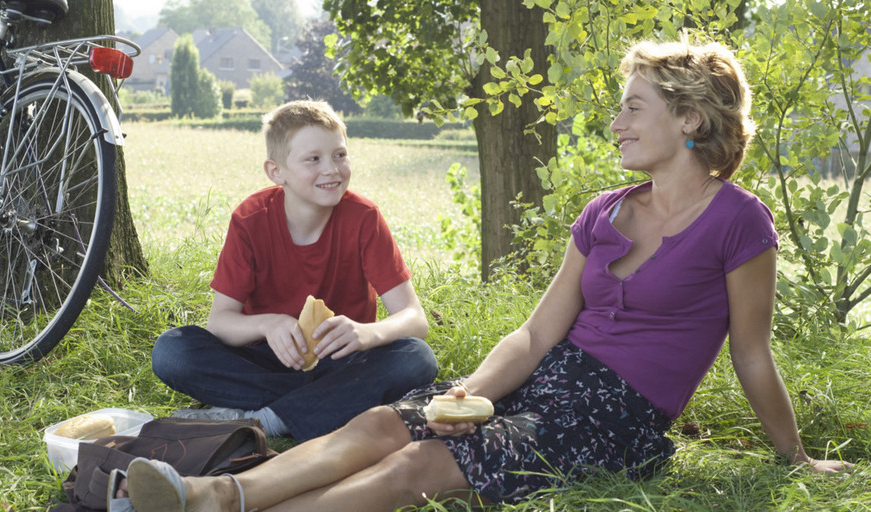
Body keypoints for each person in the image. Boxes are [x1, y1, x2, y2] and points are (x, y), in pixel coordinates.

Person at [116, 39, 853, 511]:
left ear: (690, 119)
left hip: (615, 414)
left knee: (420, 464)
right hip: (546, 377)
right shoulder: (603, 212)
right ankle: (216, 493)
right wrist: (471, 391)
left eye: (634, 108)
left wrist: (794, 456)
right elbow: (535, 335)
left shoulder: (739, 222)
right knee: (384, 421)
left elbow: (751, 352)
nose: (617, 123)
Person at [151, 100, 438, 441]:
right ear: (276, 172)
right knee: (171, 350)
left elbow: (414, 318)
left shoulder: (364, 218)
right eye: (313, 159)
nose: (331, 169)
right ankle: (316, 406)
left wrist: (366, 333)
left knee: (417, 358)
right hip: (264, 360)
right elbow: (220, 322)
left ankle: (265, 420)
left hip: (340, 359)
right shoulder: (250, 219)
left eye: (340, 155)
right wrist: (267, 323)